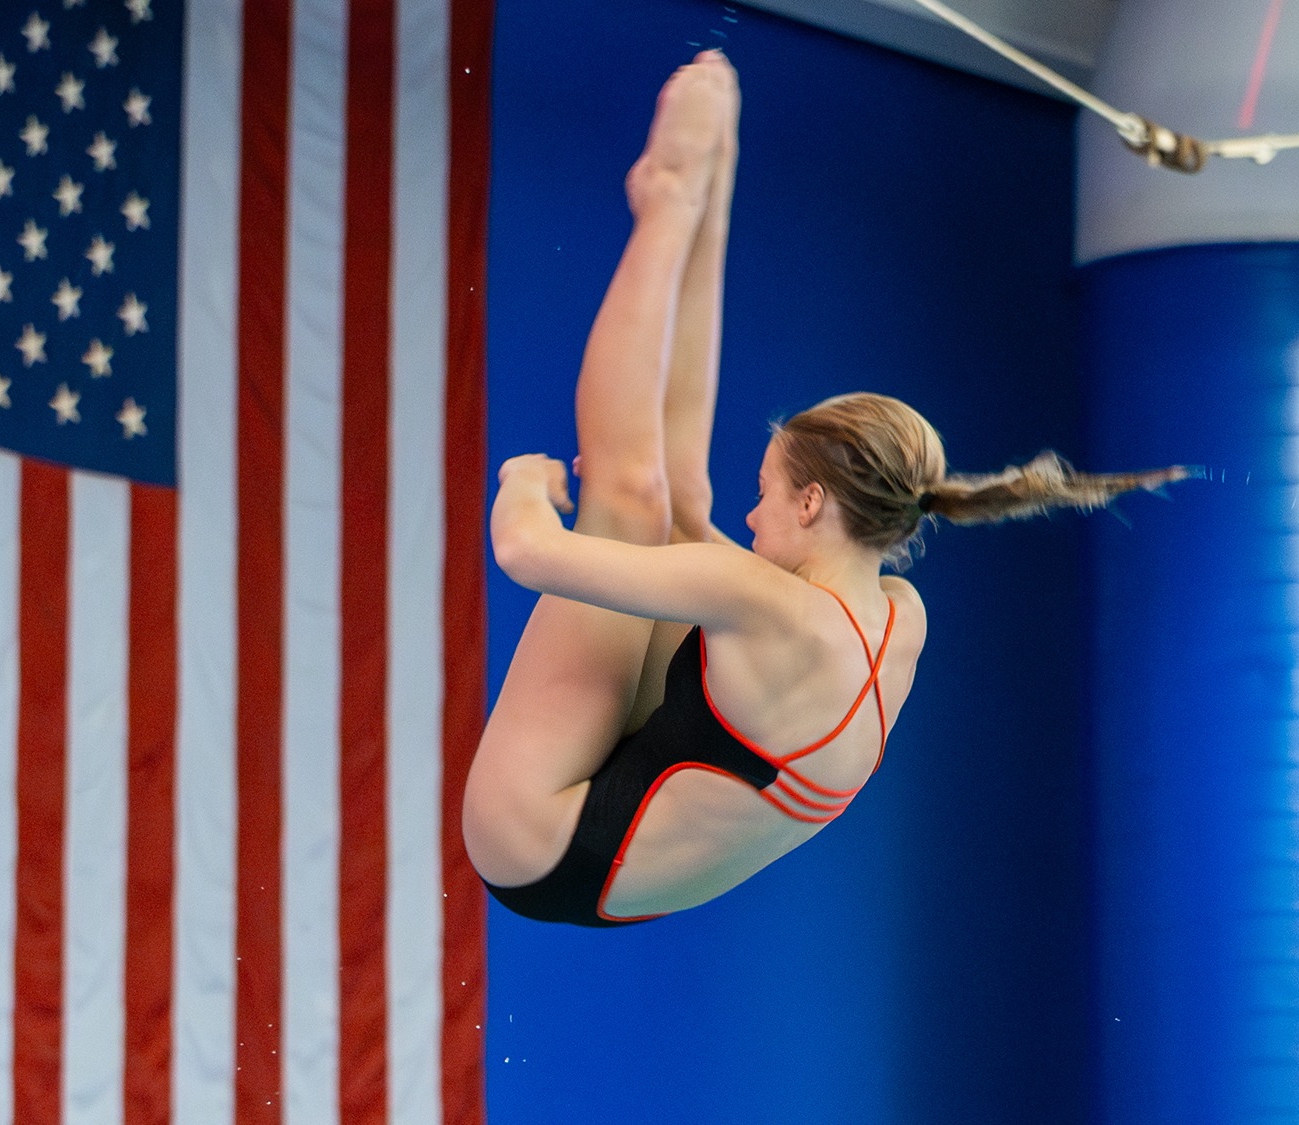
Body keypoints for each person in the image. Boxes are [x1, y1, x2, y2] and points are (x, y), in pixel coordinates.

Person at [462, 51, 1184, 927]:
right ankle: (704, 197)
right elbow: (697, 517)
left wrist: (523, 483)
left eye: (767, 492)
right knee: (675, 502)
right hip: (628, 856)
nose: (750, 512)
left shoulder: (771, 604)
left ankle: (667, 204)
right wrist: (715, 171)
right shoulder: (898, 617)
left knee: (626, 496)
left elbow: (523, 550)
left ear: (812, 503)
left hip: (538, 838)